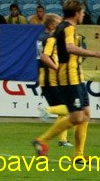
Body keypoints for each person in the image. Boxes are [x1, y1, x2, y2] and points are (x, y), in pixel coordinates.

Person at [33, 0, 100, 161]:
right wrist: (96, 54)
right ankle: (41, 141)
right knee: (77, 117)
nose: (83, 15)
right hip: (70, 77)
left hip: (76, 75)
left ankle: (78, 155)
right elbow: (69, 48)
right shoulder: (67, 28)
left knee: (86, 114)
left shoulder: (62, 27)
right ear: (76, 13)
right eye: (82, 12)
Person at [36, 13, 73, 150]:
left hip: (44, 78)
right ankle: (46, 110)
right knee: (69, 108)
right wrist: (57, 68)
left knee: (63, 112)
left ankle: (63, 141)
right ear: (51, 25)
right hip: (52, 78)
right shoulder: (51, 38)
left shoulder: (41, 38)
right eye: (58, 24)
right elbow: (45, 58)